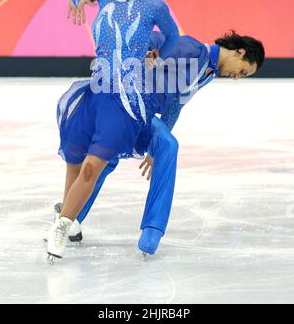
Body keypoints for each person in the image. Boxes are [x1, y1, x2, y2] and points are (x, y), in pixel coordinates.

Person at [48, 29, 265, 258]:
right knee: (110, 158)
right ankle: (71, 216)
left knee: (164, 146)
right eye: (242, 71)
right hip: (128, 107)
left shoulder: (208, 72)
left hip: (145, 116)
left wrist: (153, 147)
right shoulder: (193, 49)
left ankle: (150, 229)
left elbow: (175, 106)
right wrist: (144, 55)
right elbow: (154, 39)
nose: (237, 77)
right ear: (240, 52)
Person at [46, 0, 179, 260]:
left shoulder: (153, 6)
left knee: (92, 167)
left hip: (127, 102)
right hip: (96, 93)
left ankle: (61, 226)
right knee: (74, 164)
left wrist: (159, 53)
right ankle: (72, 219)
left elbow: (174, 36)